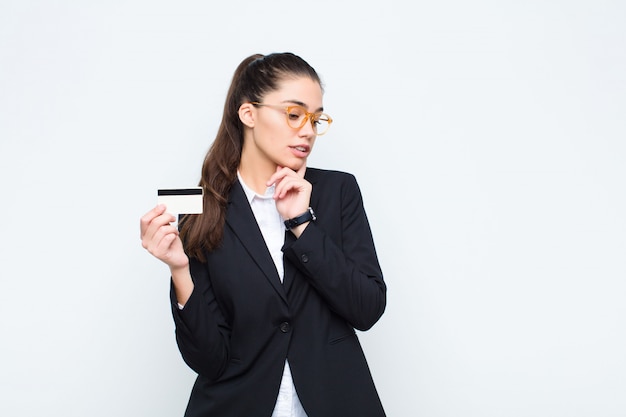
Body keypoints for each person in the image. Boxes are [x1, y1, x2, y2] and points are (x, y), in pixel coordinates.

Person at [140, 52, 387, 417]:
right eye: (293, 114)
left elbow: (366, 308)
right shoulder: (201, 207)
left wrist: (302, 223)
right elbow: (209, 359)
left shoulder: (338, 192)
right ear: (248, 114)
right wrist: (180, 271)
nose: (306, 130)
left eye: (315, 119)